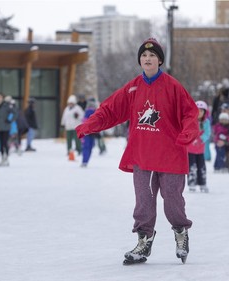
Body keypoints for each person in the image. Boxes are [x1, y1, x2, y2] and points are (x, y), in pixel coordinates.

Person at [75, 38, 199, 265]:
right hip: (142, 154)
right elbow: (109, 111)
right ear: (140, 61)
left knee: (172, 199)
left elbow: (190, 114)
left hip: (170, 153)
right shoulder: (133, 88)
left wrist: (187, 133)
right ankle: (144, 242)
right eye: (144, 56)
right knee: (143, 200)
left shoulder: (173, 86)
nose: (147, 59)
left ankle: (181, 232)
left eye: (152, 56)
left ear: (160, 60)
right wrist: (88, 125)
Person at [187, 100, 211, 192]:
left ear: (205, 112)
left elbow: (208, 133)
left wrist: (201, 138)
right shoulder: (191, 121)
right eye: (197, 111)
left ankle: (202, 183)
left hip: (200, 149)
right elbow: (188, 131)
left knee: (201, 167)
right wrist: (192, 138)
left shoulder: (206, 122)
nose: (199, 113)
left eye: (201, 111)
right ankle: (192, 182)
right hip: (190, 149)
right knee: (191, 167)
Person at [0, 92, 13, 166]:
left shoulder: (7, 105)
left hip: (6, 127)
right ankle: (2, 157)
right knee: (1, 143)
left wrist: (9, 119)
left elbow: (14, 113)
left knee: (5, 142)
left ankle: (6, 157)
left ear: (2, 98)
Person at [80, 99, 97, 167]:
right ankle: (86, 161)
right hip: (93, 132)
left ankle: (84, 161)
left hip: (86, 132)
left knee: (86, 147)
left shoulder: (87, 112)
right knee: (90, 147)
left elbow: (84, 121)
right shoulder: (96, 112)